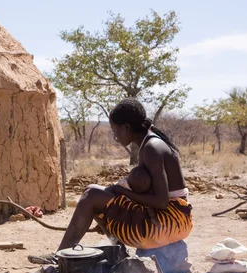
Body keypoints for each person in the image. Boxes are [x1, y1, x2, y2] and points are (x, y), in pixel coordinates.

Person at [57, 98, 193, 252]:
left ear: (127, 127)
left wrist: (122, 191)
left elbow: (161, 202)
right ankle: (118, 254)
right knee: (93, 191)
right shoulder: (149, 143)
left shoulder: (151, 148)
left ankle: (60, 255)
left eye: (115, 131)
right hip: (172, 221)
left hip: (170, 222)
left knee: (92, 197)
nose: (116, 137)